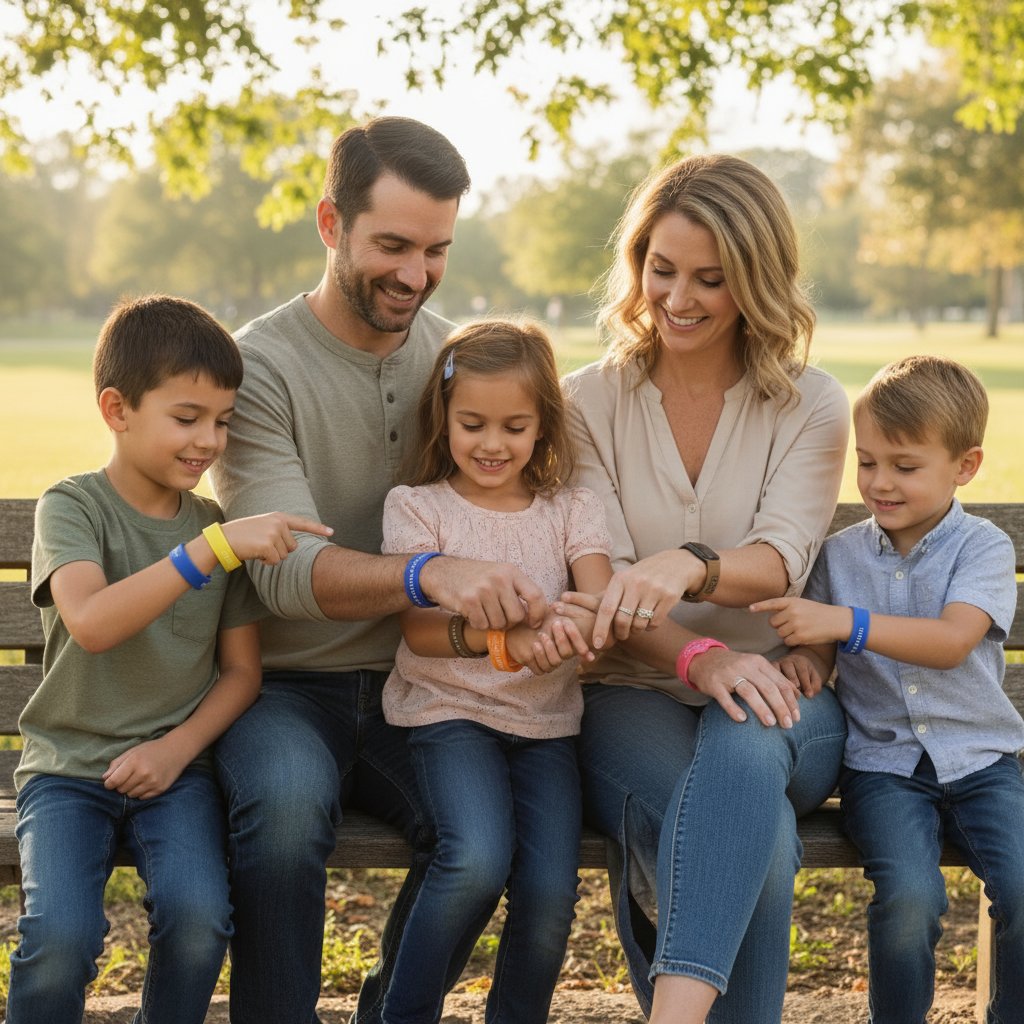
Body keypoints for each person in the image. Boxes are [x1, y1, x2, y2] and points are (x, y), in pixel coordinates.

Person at [209, 117, 549, 1024]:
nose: (414, 274)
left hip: (429, 685)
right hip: (287, 686)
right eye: (391, 245)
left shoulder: (456, 356)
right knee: (282, 820)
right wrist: (428, 573)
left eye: (436, 250)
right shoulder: (260, 367)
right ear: (330, 224)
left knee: (479, 848)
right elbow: (285, 575)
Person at [559, 153, 850, 1024]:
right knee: (755, 836)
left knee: (750, 742)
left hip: (789, 693)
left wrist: (691, 563)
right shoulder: (587, 405)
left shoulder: (812, 403)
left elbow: (784, 557)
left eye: (711, 279)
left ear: (755, 281)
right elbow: (604, 587)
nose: (678, 298)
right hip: (632, 690)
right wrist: (700, 656)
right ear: (637, 263)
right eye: (662, 269)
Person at [6, 295, 328, 1024]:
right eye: (188, 418)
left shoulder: (214, 526)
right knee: (61, 937)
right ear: (117, 409)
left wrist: (174, 750)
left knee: (198, 921)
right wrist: (209, 553)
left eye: (222, 420)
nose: (209, 441)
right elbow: (89, 622)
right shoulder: (76, 507)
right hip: (67, 772)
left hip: (175, 776)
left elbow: (243, 673)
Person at [754, 355, 1024, 1024]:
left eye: (904, 467)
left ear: (964, 466)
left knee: (1022, 884)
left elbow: (952, 640)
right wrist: (806, 663)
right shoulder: (839, 555)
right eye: (867, 462)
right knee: (908, 896)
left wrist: (845, 624)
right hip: (883, 769)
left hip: (982, 762)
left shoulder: (982, 548)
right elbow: (813, 649)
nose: (879, 483)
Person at [378, 320, 613, 1024]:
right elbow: (419, 629)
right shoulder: (417, 507)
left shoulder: (572, 509)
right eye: (472, 423)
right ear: (443, 418)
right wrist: (506, 642)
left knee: (548, 891)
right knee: (475, 860)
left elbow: (597, 603)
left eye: (514, 426)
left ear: (542, 426)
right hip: (449, 718)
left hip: (547, 728)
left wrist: (574, 628)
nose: (491, 444)